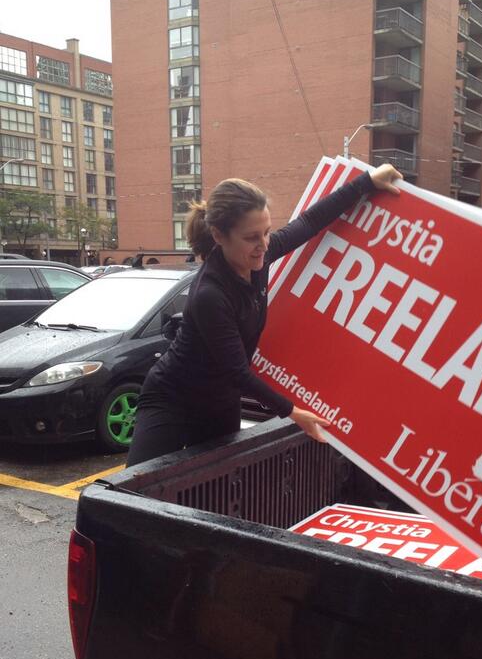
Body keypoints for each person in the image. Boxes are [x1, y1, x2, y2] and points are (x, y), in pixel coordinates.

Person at [126, 163, 402, 466]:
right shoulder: (210, 295)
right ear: (218, 235)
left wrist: (366, 181)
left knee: (217, 485)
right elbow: (238, 372)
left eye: (267, 233)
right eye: (251, 238)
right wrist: (292, 412)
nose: (263, 245)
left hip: (220, 402)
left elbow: (310, 221)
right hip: (173, 397)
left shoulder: (259, 257)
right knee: (134, 486)